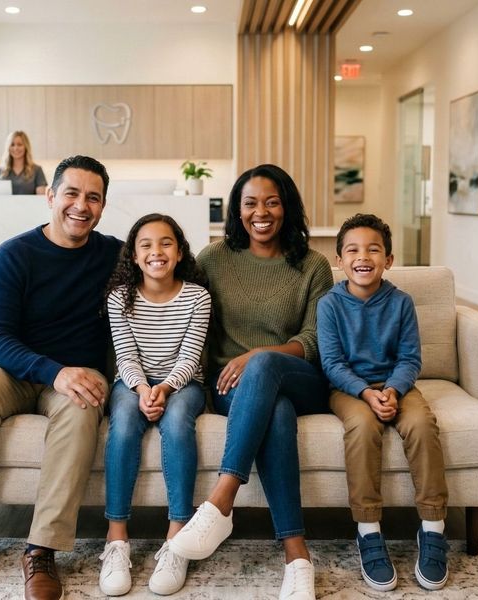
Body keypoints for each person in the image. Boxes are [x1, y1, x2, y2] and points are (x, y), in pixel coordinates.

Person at [0, 155, 121, 599]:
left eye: (92, 197)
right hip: (17, 370)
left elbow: (166, 273)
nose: (81, 205)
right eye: (71, 194)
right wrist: (52, 372)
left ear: (103, 206)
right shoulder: (13, 255)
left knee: (82, 407)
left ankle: (41, 550)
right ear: (50, 196)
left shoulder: (114, 255)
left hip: (79, 377)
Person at [168, 164, 334, 600]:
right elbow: (189, 319)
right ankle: (297, 557)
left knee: (263, 368)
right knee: (274, 413)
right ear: (236, 210)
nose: (261, 212)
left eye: (272, 201)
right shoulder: (212, 259)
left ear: (288, 207)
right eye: (250, 203)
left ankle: (222, 499)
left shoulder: (313, 265)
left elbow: (314, 339)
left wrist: (258, 354)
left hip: (299, 378)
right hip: (233, 389)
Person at [317, 213, 449, 592]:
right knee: (361, 426)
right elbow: (331, 363)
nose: (363, 257)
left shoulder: (402, 302)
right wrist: (365, 393)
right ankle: (368, 529)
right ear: (339, 260)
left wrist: (392, 390)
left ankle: (433, 527)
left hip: (396, 385)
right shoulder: (329, 305)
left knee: (422, 424)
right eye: (353, 250)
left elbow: (410, 358)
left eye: (373, 249)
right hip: (349, 389)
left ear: (388, 260)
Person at [98, 213, 211, 597]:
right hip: (133, 383)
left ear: (179, 252)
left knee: (178, 422)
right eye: (145, 245)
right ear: (133, 255)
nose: (156, 251)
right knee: (125, 422)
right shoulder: (119, 298)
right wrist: (143, 387)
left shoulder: (198, 297)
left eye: (166, 243)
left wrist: (163, 388)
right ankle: (116, 539)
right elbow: (125, 355)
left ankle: (177, 538)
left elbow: (190, 356)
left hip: (183, 384)